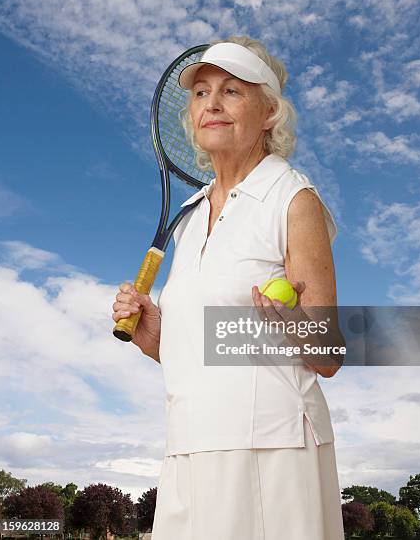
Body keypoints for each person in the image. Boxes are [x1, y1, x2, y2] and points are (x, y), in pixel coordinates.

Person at [112, 37, 345, 539]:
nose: (212, 103)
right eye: (201, 92)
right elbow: (206, 351)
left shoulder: (292, 198)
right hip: (188, 447)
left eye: (232, 90)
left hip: (270, 453)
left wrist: (291, 329)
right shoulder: (191, 216)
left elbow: (329, 355)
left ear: (268, 114)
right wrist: (158, 339)